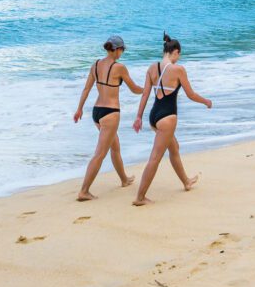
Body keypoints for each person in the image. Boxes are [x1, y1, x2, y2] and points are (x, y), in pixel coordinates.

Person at [131, 32, 212, 206]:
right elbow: (190, 94)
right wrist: (205, 101)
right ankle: (140, 197)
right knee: (155, 158)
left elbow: (145, 94)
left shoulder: (152, 68)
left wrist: (138, 117)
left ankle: (186, 182)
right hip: (167, 117)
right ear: (174, 51)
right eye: (178, 54)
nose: (178, 58)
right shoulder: (178, 70)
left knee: (174, 147)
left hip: (153, 115)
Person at [73, 35, 143, 201]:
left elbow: (86, 89)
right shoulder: (119, 67)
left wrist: (79, 109)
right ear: (117, 49)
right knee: (100, 154)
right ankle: (84, 191)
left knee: (115, 146)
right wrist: (148, 88)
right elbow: (134, 89)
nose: (122, 53)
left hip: (97, 112)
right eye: (122, 50)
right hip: (111, 113)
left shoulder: (95, 65)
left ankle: (124, 180)